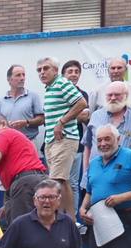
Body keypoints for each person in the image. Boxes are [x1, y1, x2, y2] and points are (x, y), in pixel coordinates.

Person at [0, 115, 48, 225]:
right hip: (33, 181)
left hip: (25, 182)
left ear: (3, 124)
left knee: (23, 228)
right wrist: (10, 203)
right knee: (38, 225)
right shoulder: (15, 137)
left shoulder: (4, 133)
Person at [36, 56, 87, 214]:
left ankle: (59, 219)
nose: (42, 72)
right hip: (53, 141)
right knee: (62, 181)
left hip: (64, 138)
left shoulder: (61, 83)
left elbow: (82, 103)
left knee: (56, 181)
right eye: (39, 70)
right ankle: (69, 220)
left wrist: (62, 122)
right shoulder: (50, 87)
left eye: (46, 68)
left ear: (56, 71)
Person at [84, 82, 131, 174]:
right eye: (110, 95)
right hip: (96, 177)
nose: (113, 98)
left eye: (117, 95)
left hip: (127, 179)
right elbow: (87, 146)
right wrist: (85, 173)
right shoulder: (96, 116)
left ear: (126, 96)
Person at [0, 64, 44, 143]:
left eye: (23, 75)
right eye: (18, 75)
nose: (22, 78)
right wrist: (6, 125)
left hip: (29, 141)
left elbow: (42, 119)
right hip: (9, 143)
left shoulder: (33, 97)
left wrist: (26, 122)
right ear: (9, 79)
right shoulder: (0, 102)